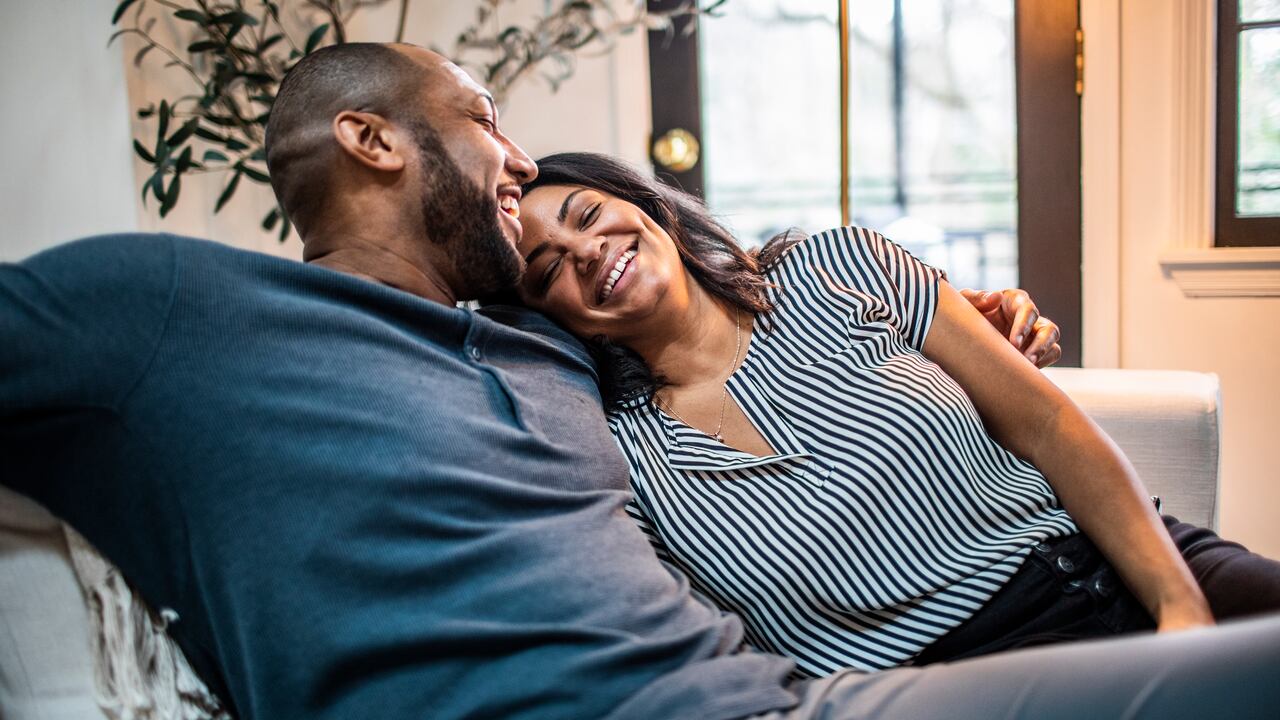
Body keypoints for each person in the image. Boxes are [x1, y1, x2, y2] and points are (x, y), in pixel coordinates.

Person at [2, 42, 1279, 720]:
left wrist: (975, 319)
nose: (519, 162)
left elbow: (734, 310)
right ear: (371, 139)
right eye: (485, 113)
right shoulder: (174, 311)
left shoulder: (536, 353)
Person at [509, 151, 1280, 676]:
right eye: (548, 269)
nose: (586, 250)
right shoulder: (623, 457)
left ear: (646, 206)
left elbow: (1047, 424)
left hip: (1119, 564)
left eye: (587, 213)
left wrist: (1180, 606)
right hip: (963, 682)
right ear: (557, 320)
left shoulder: (839, 264)